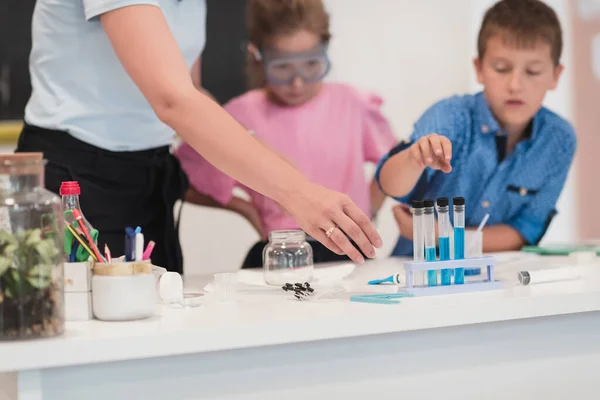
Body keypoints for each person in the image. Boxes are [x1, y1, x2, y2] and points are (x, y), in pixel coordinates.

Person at [15, 0, 382, 274]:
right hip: (76, 177)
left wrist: (263, 151)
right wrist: (297, 191)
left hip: (151, 173)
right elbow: (173, 100)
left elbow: (192, 89)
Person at [176, 0, 397, 268]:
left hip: (349, 255)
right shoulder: (239, 115)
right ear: (257, 56)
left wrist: (368, 207)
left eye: (311, 65)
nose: (297, 82)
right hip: (280, 254)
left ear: (325, 50)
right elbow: (181, 178)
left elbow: (393, 161)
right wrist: (244, 208)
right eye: (282, 68)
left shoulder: (352, 102)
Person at [375, 0, 576, 256]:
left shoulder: (559, 139)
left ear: (555, 76)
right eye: (501, 69)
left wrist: (437, 234)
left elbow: (525, 231)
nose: (515, 84)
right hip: (421, 275)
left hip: (502, 279)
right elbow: (390, 185)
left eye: (533, 71)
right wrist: (414, 158)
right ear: (479, 69)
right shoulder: (450, 116)